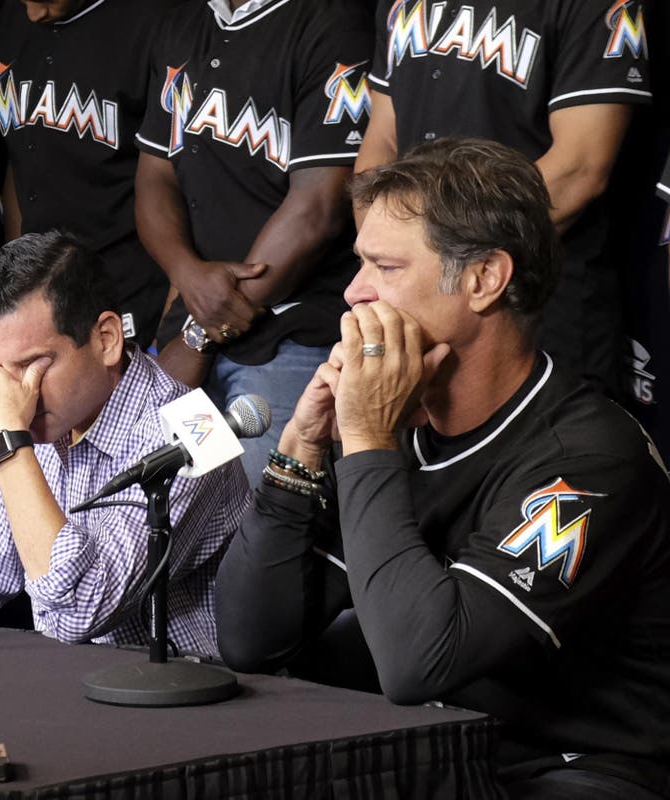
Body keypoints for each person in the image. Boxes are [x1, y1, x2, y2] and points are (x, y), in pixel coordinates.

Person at [215, 138, 670, 798]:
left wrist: (367, 440)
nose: (354, 291)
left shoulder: (589, 459)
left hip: (577, 768)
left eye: (386, 266)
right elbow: (251, 640)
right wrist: (300, 449)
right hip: (440, 753)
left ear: (485, 279)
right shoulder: (397, 425)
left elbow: (419, 662)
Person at [0, 232, 248, 658]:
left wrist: (7, 445)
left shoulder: (196, 431)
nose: (19, 392)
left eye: (33, 365)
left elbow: (78, 613)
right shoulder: (42, 427)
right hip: (80, 684)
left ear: (107, 339)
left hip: (196, 689)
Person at [355, 0, 652, 398]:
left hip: (536, 301)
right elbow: (381, 143)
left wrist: (440, 254)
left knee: (549, 432)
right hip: (418, 294)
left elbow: (580, 166)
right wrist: (385, 261)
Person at [134, 0, 373, 485]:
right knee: (179, 503)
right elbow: (154, 177)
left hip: (290, 338)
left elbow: (318, 209)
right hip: (195, 328)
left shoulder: (333, 21)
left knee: (262, 512)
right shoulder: (184, 23)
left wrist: (201, 332)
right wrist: (186, 275)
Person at [0, 0, 171, 347]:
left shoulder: (156, 22)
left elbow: (184, 183)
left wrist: (170, 337)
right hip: (44, 296)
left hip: (128, 292)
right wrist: (19, 279)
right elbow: (22, 156)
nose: (32, 12)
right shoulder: (14, 15)